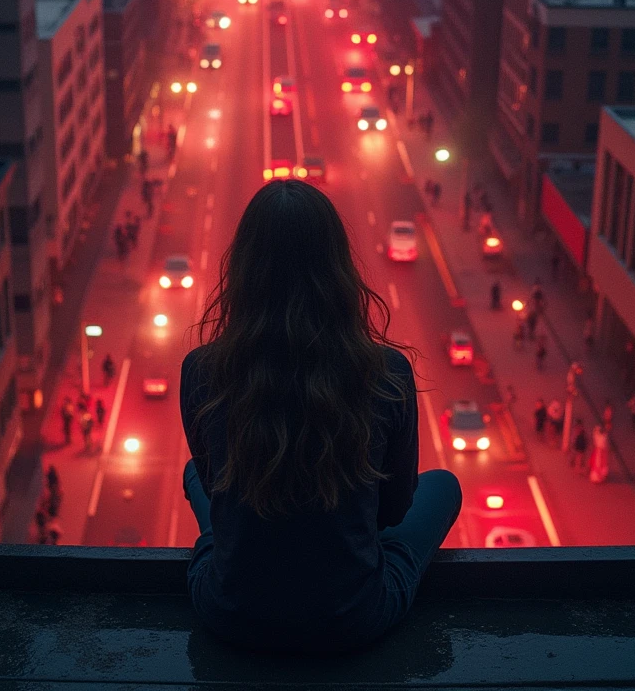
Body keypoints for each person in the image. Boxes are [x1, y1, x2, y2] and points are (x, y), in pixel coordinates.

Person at [180, 179, 462, 656]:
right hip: (352, 618)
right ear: (337, 270)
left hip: (230, 613)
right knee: (444, 487)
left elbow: (212, 485)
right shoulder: (385, 372)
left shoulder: (204, 370)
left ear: (243, 271)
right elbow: (393, 511)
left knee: (195, 480)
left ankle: (221, 546)